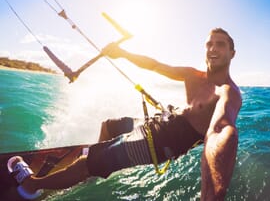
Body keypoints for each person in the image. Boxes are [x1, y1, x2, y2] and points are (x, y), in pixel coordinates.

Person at [8, 28, 242, 200]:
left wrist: (215, 187)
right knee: (109, 126)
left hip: (161, 144)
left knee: (89, 161)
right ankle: (95, 166)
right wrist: (123, 53)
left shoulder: (228, 93)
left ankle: (33, 185)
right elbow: (156, 66)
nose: (212, 49)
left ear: (232, 53)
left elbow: (221, 129)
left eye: (220, 45)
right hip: (160, 124)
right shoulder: (194, 75)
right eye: (209, 44)